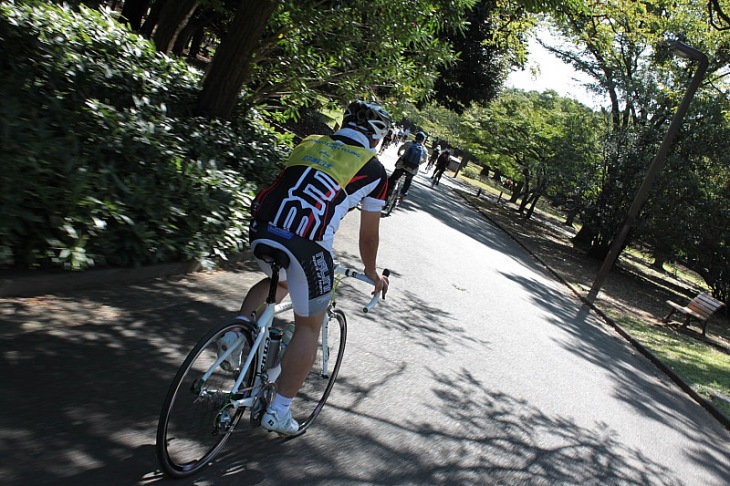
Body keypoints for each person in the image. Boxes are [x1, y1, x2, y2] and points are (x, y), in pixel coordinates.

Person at [220, 100, 391, 436]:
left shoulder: (310, 142)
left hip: (261, 230)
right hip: (306, 244)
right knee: (309, 327)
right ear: (376, 136)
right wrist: (372, 272)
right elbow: (368, 236)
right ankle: (279, 411)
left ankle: (236, 330)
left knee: (278, 279)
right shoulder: (374, 169)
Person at [386, 131, 429, 201]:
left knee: (393, 178)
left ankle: (387, 193)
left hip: (402, 165)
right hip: (412, 169)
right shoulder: (424, 149)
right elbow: (425, 160)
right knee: (408, 181)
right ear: (423, 140)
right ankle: (402, 194)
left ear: (415, 137)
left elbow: (401, 149)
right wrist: (418, 163)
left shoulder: (409, 143)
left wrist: (399, 154)